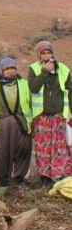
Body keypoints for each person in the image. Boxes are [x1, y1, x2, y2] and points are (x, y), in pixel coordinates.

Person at [0, 58, 32, 194]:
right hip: (2, 123)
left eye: (12, 68)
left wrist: (35, 121)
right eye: (7, 69)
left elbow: (31, 102)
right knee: (3, 152)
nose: (10, 71)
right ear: (2, 71)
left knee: (24, 150)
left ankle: (19, 178)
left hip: (22, 122)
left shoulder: (24, 84)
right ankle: (4, 180)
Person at [28, 41, 72, 187]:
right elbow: (33, 88)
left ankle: (60, 175)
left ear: (53, 54)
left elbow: (70, 91)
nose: (46, 56)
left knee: (60, 148)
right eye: (43, 53)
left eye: (49, 53)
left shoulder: (64, 69)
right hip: (42, 116)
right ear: (39, 55)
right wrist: (44, 72)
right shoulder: (33, 69)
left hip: (59, 115)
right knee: (43, 148)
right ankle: (45, 177)